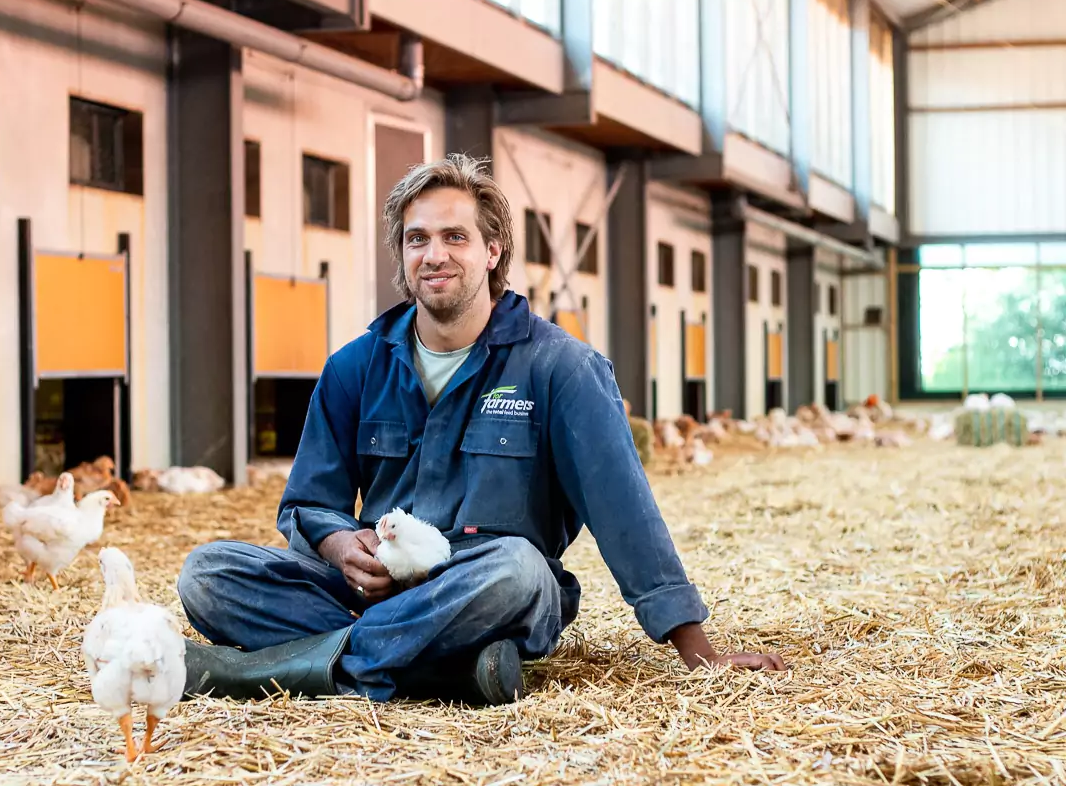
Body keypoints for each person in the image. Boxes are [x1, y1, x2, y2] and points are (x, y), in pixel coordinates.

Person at [176, 153, 786, 706]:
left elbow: (625, 512)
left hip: (486, 591)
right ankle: (447, 674)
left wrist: (697, 651)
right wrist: (342, 548)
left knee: (519, 568)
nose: (433, 254)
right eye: (417, 239)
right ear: (402, 256)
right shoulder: (355, 367)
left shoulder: (559, 369)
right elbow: (309, 503)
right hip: (375, 591)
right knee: (208, 575)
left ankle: (279, 671)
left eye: (454, 237)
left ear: (492, 251)